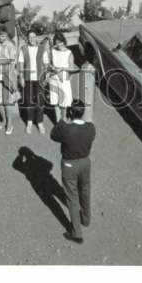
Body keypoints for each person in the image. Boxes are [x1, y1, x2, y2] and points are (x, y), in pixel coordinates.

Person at [51, 99, 96, 244]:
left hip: (69, 165)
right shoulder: (91, 128)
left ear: (70, 112)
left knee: (72, 197)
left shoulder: (66, 130)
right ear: (82, 113)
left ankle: (77, 233)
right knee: (85, 191)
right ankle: (86, 219)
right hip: (85, 163)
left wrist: (62, 120)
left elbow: (53, 135)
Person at [16, 27, 50, 134]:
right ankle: (30, 122)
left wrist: (47, 77)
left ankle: (39, 122)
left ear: (36, 38)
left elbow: (46, 64)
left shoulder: (42, 48)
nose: (31, 39)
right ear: (27, 38)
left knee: (40, 101)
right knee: (29, 101)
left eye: (33, 37)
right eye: (29, 37)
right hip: (27, 79)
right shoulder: (23, 49)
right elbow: (21, 64)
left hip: (40, 79)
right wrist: (21, 77)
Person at [0, 25, 17, 134]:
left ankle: (10, 123)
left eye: (5, 36)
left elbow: (12, 61)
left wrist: (9, 76)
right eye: (1, 35)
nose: (2, 37)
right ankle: (3, 120)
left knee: (7, 100)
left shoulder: (10, 45)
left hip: (7, 72)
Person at [47, 31, 76, 123]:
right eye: (56, 42)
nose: (58, 44)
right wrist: (51, 67)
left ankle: (63, 119)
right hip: (53, 78)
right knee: (55, 101)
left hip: (63, 79)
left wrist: (62, 69)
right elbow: (49, 64)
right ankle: (58, 121)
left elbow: (72, 68)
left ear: (63, 41)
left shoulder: (69, 53)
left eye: (60, 42)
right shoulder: (53, 51)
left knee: (64, 101)